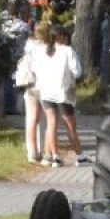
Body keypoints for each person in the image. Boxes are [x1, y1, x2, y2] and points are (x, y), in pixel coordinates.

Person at [32, 22, 83, 166]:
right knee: (70, 125)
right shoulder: (67, 51)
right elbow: (77, 72)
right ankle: (80, 155)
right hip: (62, 91)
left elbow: (35, 69)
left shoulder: (42, 51)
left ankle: (55, 157)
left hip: (46, 91)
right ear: (61, 37)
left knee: (51, 123)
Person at [22, 21, 50, 164]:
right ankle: (45, 151)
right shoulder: (50, 48)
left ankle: (32, 152)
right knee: (48, 120)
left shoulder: (29, 45)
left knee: (32, 119)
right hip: (47, 86)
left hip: (32, 83)